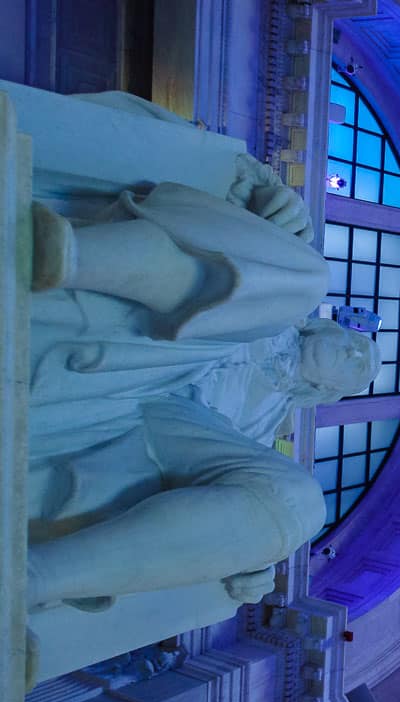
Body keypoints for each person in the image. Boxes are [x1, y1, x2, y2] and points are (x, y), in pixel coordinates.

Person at [24, 148, 380, 613]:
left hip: (157, 417)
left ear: (326, 391)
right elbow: (246, 181)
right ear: (326, 326)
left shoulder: (256, 432)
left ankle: (30, 580)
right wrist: (280, 211)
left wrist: (257, 549)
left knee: (301, 508)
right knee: (310, 279)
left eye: (355, 366)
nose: (352, 351)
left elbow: (235, 510)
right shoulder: (285, 302)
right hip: (163, 333)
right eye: (356, 344)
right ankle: (64, 252)